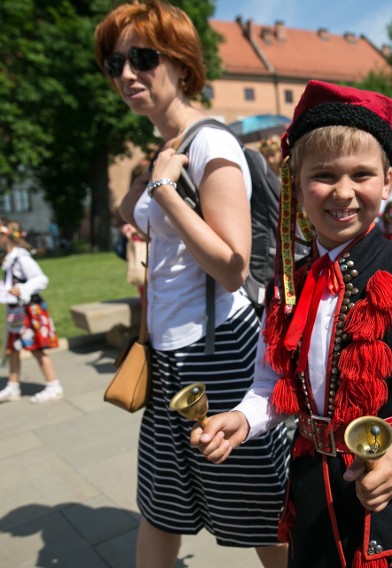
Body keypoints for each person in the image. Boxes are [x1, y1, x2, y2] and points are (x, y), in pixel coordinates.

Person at [191, 79, 392, 568]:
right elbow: (277, 383)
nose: (343, 192)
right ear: (296, 181)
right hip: (313, 497)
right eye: (324, 175)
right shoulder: (289, 281)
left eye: (362, 175)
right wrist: (244, 418)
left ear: (388, 182)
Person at [94, 3, 291, 566]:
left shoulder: (213, 145)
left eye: (143, 57)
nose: (127, 74)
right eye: (115, 63)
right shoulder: (170, 148)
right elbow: (136, 217)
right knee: (161, 507)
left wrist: (162, 192)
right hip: (168, 353)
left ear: (180, 65)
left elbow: (232, 264)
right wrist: (150, 183)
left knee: (257, 511)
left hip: (219, 351)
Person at [0, 218, 62, 404]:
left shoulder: (21, 257)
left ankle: (54, 385)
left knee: (36, 348)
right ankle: (12, 387)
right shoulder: (11, 258)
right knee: (13, 349)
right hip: (17, 312)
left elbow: (40, 279)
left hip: (29, 312)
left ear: (5, 236)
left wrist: (22, 289)